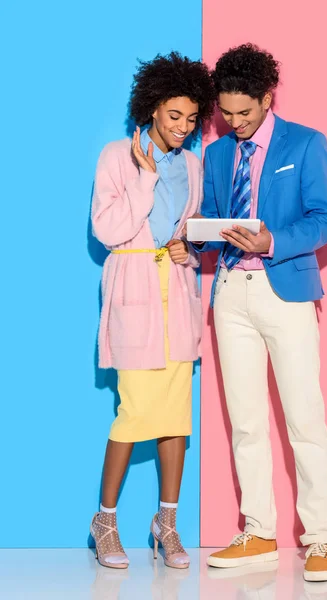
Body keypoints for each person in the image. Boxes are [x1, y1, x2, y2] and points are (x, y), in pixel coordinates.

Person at [191, 44, 327, 582]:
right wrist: (198, 238)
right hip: (230, 293)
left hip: (287, 292)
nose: (235, 123)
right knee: (246, 421)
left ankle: (321, 536)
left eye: (244, 113)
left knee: (304, 417)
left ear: (266, 97)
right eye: (226, 114)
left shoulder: (306, 143)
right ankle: (258, 531)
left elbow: (326, 219)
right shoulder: (216, 153)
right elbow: (212, 216)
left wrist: (274, 237)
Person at [90, 52, 215, 570]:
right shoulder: (117, 156)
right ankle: (105, 521)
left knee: (176, 421)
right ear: (152, 109)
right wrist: (144, 179)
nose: (183, 128)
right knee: (134, 412)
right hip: (136, 290)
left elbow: (191, 228)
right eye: (173, 117)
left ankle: (167, 524)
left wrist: (194, 249)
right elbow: (108, 229)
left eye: (191, 118)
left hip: (178, 293)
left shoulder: (193, 164)